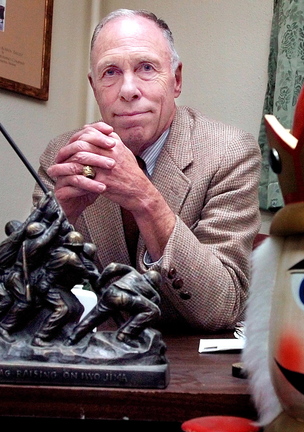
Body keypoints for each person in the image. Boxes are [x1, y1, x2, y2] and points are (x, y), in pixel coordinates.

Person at [33, 9, 261, 332]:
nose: (128, 89)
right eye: (110, 72)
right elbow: (23, 298)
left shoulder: (230, 153)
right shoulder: (63, 157)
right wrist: (58, 219)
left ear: (176, 79)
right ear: (94, 86)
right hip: (93, 364)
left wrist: (144, 197)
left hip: (186, 369)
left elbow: (222, 307)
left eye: (146, 68)